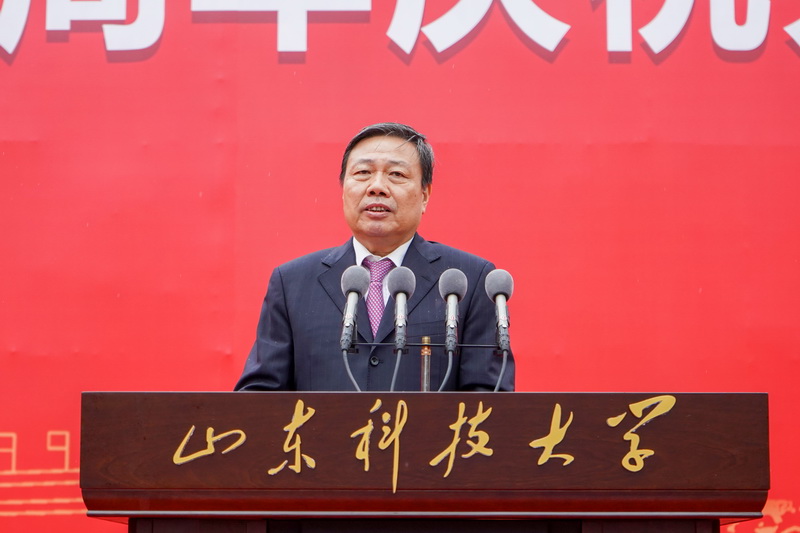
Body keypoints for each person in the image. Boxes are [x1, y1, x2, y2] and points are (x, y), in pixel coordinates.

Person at [235, 123, 514, 391]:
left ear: (425, 195)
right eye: (363, 173)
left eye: (396, 174)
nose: (377, 187)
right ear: (343, 190)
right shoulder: (292, 283)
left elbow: (489, 401)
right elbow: (260, 396)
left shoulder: (467, 281)